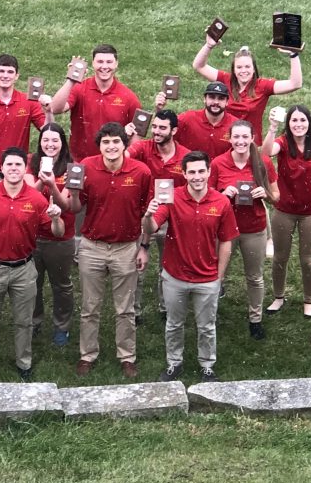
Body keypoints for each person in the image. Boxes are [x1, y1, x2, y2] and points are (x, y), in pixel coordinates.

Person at [0, 147, 63, 381]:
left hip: (24, 269)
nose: (13, 169)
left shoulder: (36, 198)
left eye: (18, 165)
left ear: (24, 169)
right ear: (2, 168)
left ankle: (24, 362)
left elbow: (56, 232)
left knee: (24, 321)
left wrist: (57, 217)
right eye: (9, 164)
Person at [144, 150, 238, 382]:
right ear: (184, 174)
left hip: (207, 278)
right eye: (192, 172)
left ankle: (207, 365)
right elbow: (151, 228)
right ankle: (174, 364)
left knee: (207, 326)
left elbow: (226, 240)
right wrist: (148, 214)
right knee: (174, 324)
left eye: (201, 171)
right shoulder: (171, 197)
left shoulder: (221, 201)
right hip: (175, 276)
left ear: (208, 172)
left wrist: (220, 276)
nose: (197, 176)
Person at [69, 122, 152, 379]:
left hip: (126, 247)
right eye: (106, 142)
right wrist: (71, 193)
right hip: (92, 246)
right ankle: (87, 354)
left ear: (124, 145)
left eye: (116, 141)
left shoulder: (141, 172)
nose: (111, 146)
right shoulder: (86, 167)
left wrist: (144, 247)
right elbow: (74, 208)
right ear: (100, 146)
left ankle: (126, 356)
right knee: (89, 306)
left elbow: (147, 214)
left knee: (125, 308)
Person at [209, 119, 279, 340]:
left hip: (253, 229)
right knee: (217, 275)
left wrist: (264, 193)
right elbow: (206, 199)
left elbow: (277, 197)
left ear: (252, 139)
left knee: (255, 277)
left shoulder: (263, 163)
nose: (240, 141)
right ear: (230, 139)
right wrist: (222, 195)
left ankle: (255, 319)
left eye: (244, 137)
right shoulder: (218, 163)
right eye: (236, 137)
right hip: (225, 231)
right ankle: (211, 315)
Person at [261, 104, 311, 318]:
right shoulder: (283, 142)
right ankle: (278, 297)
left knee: (307, 259)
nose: (299, 124)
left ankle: (308, 301)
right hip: (284, 209)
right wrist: (272, 128)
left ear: (309, 123)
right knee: (280, 257)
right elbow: (265, 154)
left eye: (303, 120)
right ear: (288, 123)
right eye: (294, 120)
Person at [127, 108, 187, 323]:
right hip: (143, 217)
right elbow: (125, 156)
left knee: (168, 267)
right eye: (154, 127)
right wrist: (127, 139)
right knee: (137, 266)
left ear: (174, 130)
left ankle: (166, 308)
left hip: (171, 221)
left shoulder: (185, 157)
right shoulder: (143, 148)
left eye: (162, 128)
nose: (156, 131)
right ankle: (133, 311)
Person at [192, 35, 302, 140]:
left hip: (250, 142)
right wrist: (208, 45)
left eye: (247, 67)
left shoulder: (262, 86)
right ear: (234, 70)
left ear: (254, 69)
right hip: (225, 139)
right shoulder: (226, 79)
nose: (243, 71)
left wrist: (293, 54)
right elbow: (199, 66)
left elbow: (295, 84)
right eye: (239, 67)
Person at [49, 44, 141, 161]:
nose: (104, 66)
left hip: (113, 162)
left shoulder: (129, 97)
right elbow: (55, 109)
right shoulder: (79, 88)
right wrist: (71, 81)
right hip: (79, 161)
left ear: (116, 64)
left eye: (109, 62)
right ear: (93, 63)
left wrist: (127, 160)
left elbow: (136, 135)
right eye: (100, 62)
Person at [28, 124, 76, 347]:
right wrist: (41, 180)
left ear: (62, 143)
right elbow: (27, 197)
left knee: (61, 284)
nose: (50, 144)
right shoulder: (31, 162)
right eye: (45, 140)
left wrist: (52, 187)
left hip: (61, 236)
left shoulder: (73, 168)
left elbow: (67, 204)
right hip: (33, 235)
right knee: (32, 282)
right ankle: (34, 321)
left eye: (55, 140)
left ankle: (62, 326)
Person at [0, 54, 50, 170]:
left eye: (10, 72)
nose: (5, 76)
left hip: (18, 169)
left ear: (16, 76)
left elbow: (48, 131)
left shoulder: (29, 102)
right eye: (1, 71)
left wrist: (49, 112)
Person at [167, 81, 233, 159]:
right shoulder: (187, 119)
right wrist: (159, 109)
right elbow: (164, 135)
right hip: (190, 169)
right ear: (204, 99)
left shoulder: (235, 125)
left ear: (227, 102)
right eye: (212, 97)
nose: (216, 102)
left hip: (221, 170)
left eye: (221, 98)